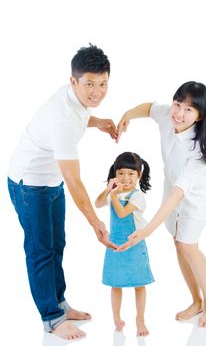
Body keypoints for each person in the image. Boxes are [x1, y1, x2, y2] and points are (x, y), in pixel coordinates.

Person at [7, 44, 118, 340]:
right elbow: (75, 182)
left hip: (50, 182)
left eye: (103, 84)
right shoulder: (63, 119)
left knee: (58, 244)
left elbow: (81, 114)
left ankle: (60, 303)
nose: (97, 92)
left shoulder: (77, 103)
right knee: (41, 250)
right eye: (89, 84)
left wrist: (97, 123)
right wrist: (96, 222)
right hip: (29, 185)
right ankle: (51, 318)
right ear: (74, 81)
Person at [116, 81, 206, 328]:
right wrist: (127, 116)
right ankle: (196, 301)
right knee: (177, 242)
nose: (179, 113)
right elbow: (149, 108)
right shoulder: (168, 115)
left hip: (197, 196)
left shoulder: (200, 148)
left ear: (199, 116)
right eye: (177, 104)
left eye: (189, 110)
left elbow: (179, 193)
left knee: (188, 244)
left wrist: (146, 230)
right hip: (172, 185)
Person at [95, 152, 154, 336]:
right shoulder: (114, 192)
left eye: (130, 173)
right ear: (115, 174)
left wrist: (113, 195)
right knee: (115, 284)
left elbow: (122, 213)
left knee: (139, 284)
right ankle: (116, 318)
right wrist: (108, 190)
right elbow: (97, 204)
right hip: (115, 245)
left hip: (135, 245)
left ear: (138, 175)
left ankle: (140, 319)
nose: (125, 178)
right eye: (121, 173)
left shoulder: (137, 196)